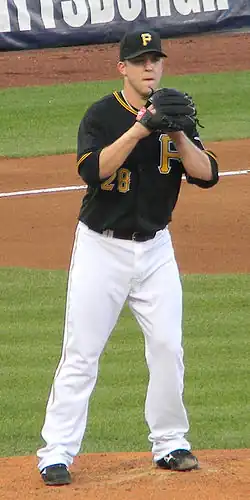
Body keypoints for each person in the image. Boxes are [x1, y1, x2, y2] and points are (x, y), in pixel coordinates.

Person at [37, 28, 219, 486]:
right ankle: (55, 453)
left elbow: (207, 174)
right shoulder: (101, 114)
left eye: (155, 59)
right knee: (81, 353)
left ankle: (171, 443)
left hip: (156, 249)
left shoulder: (176, 111)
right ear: (122, 67)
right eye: (139, 61)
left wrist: (176, 129)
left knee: (167, 348)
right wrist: (142, 127)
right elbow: (92, 172)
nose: (149, 67)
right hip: (102, 247)